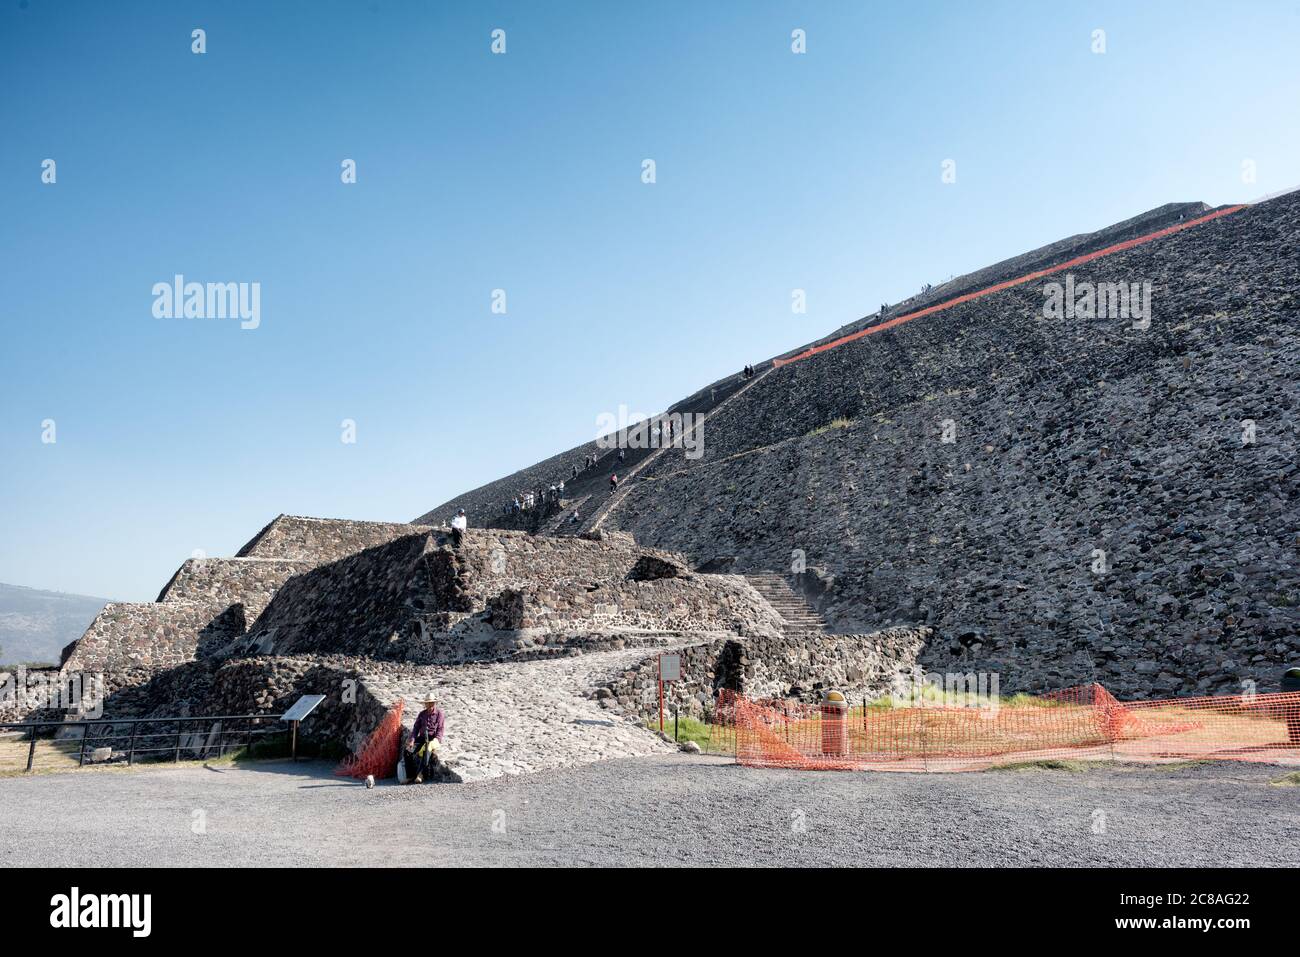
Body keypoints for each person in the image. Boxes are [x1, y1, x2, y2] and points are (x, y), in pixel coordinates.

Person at [403, 695, 446, 784]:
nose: (430, 705)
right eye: (428, 703)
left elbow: (440, 729)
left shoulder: (439, 714)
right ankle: (410, 776)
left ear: (434, 703)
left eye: (432, 703)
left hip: (433, 738)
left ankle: (421, 774)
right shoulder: (422, 714)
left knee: (427, 748)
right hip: (422, 737)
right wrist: (412, 740)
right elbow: (416, 728)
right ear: (425, 704)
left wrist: (436, 739)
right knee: (407, 750)